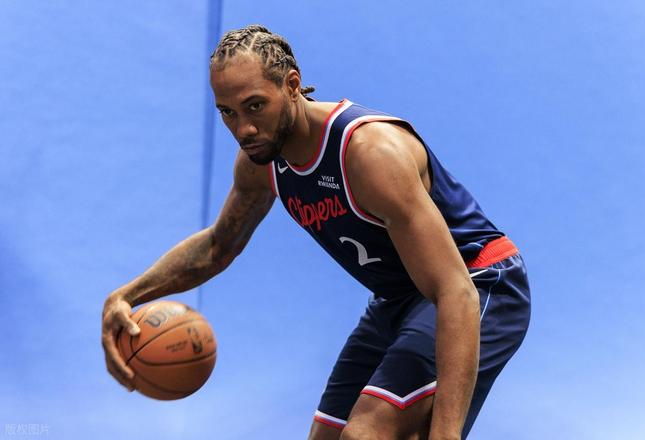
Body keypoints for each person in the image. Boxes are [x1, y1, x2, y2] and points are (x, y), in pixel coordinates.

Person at [101, 24, 531, 440]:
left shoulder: (369, 154)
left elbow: (454, 291)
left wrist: (446, 433)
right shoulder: (260, 162)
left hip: (479, 282)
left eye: (255, 105)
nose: (243, 128)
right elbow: (218, 245)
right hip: (401, 298)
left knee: (369, 434)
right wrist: (127, 296)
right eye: (228, 113)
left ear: (292, 85)